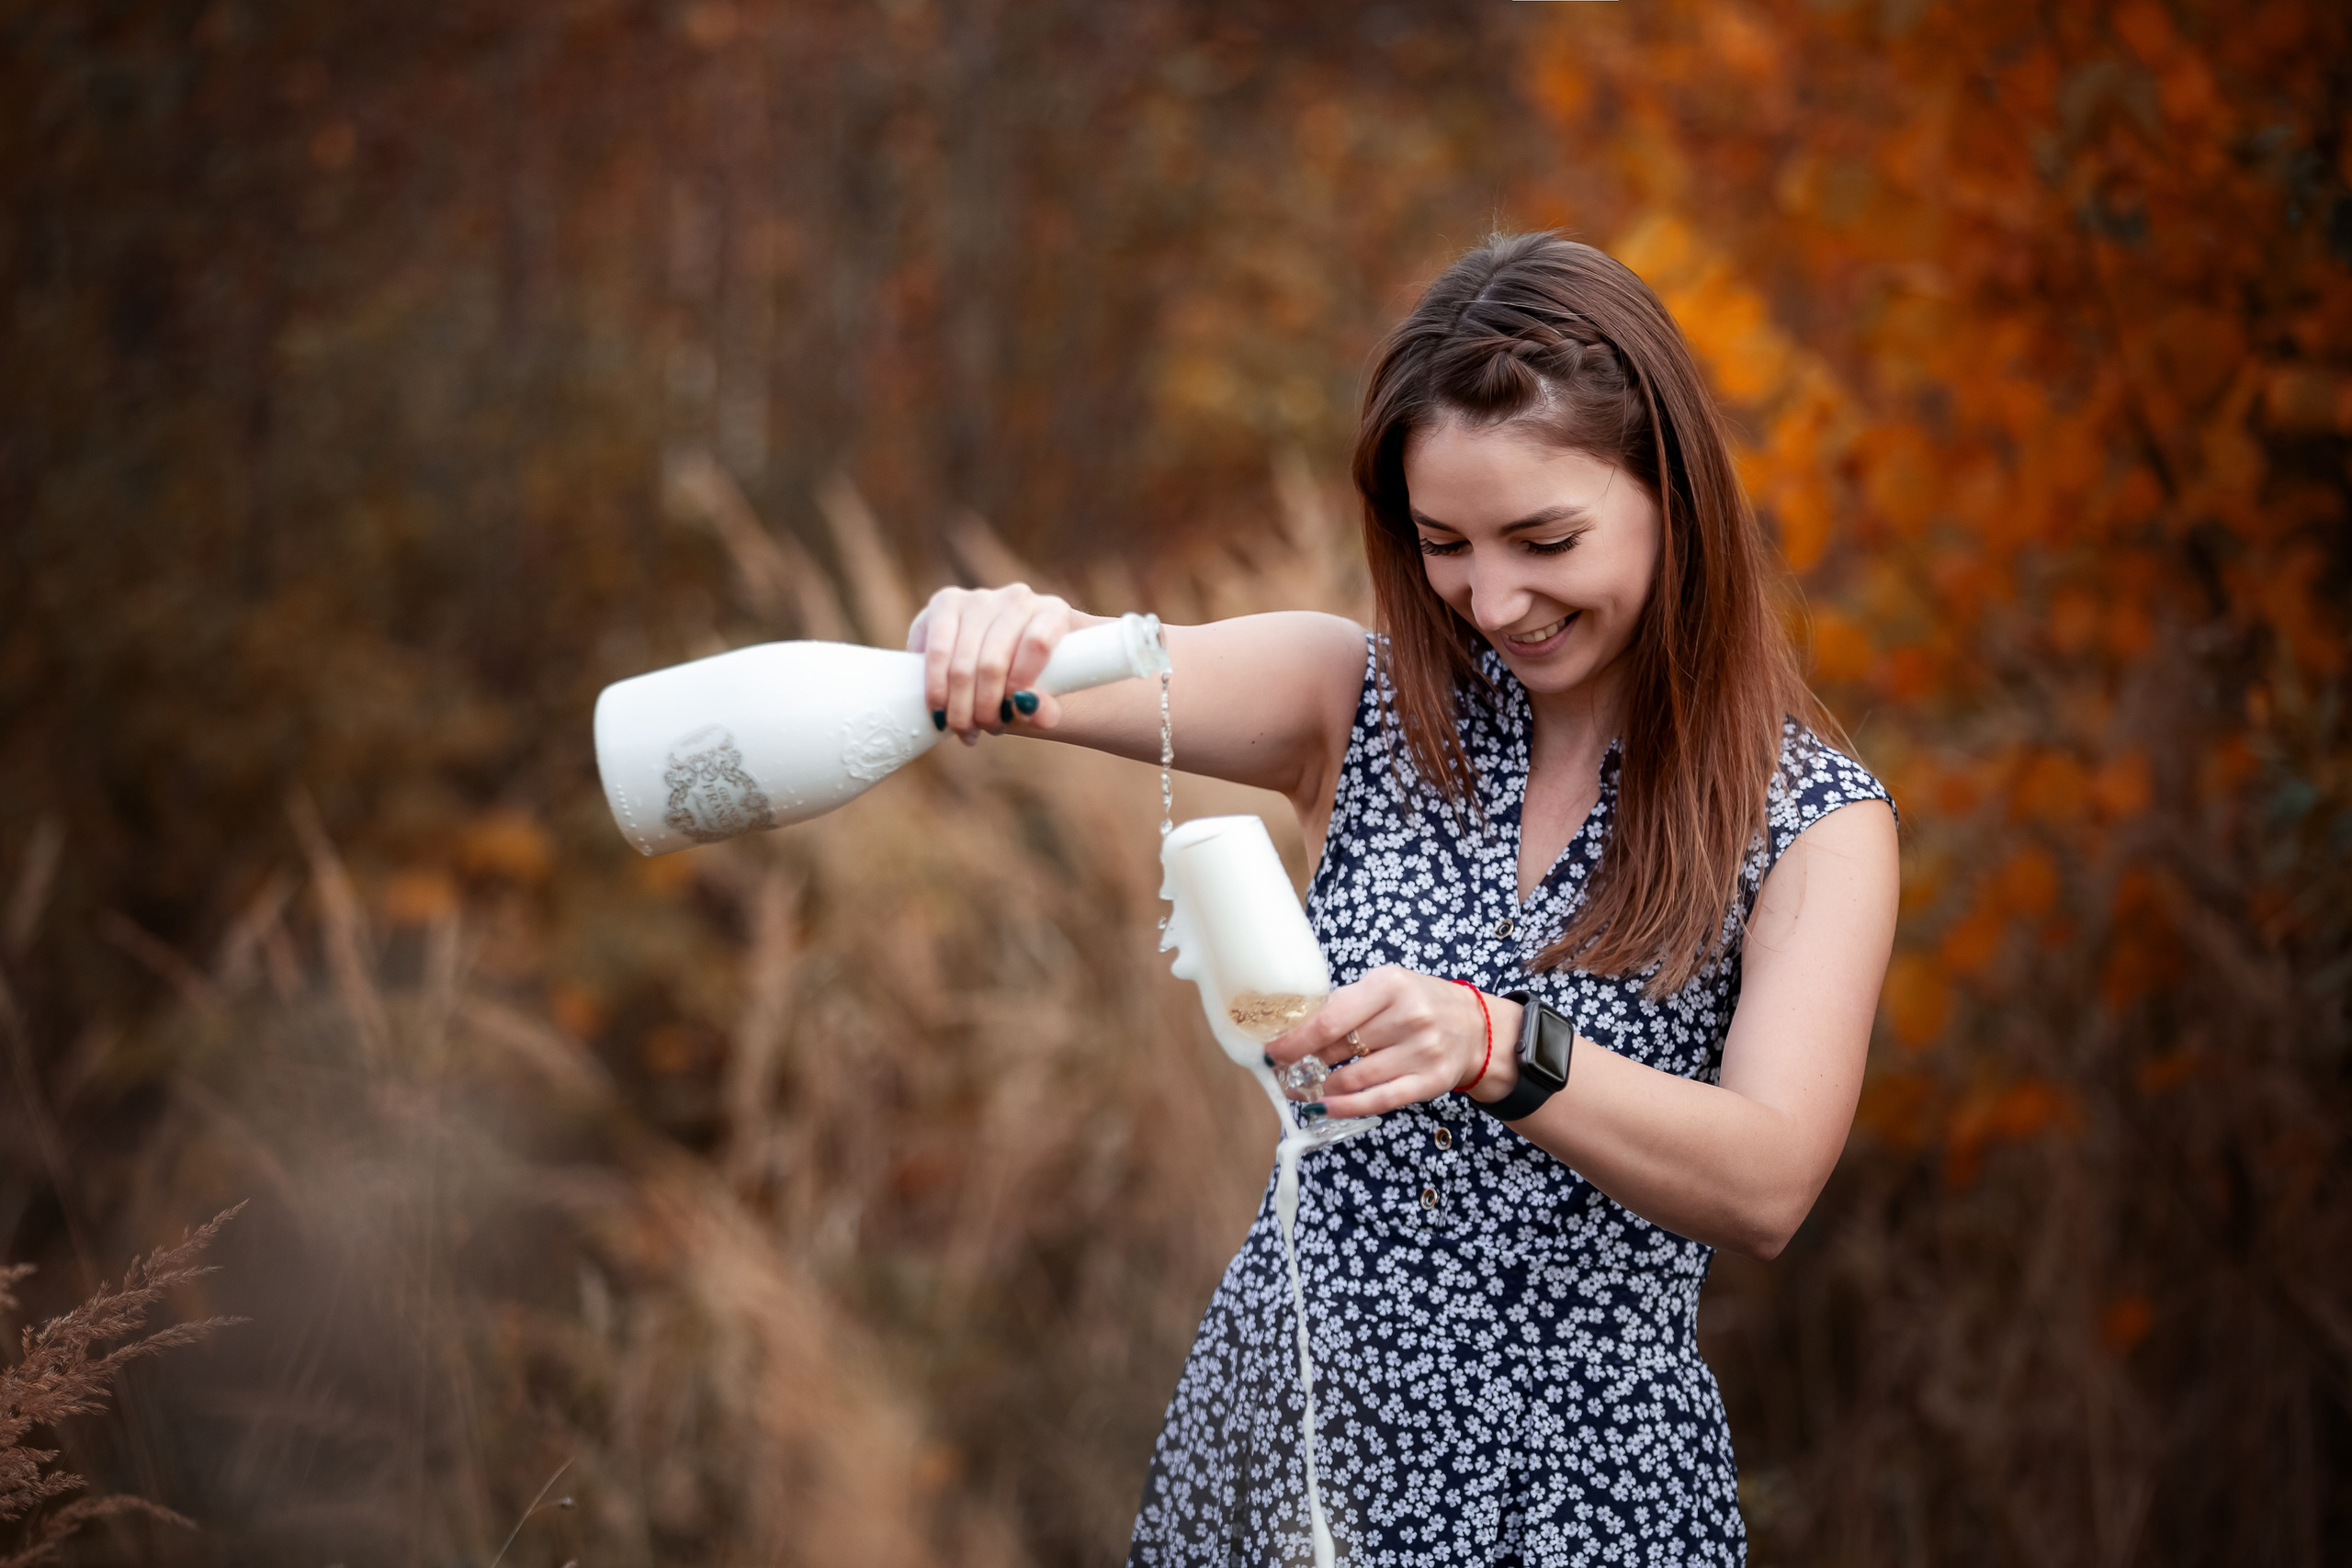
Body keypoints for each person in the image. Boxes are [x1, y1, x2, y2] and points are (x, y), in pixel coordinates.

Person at [908, 232, 1899, 1567]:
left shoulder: (1815, 823)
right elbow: (1066, 672)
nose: (1495, 599)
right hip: (1292, 1460)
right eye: (1445, 545)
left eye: (1545, 540)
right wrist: (987, 634)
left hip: (1586, 1500)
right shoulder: (1354, 702)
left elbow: (1768, 1178)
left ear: (1671, 492)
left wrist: (1497, 1044)